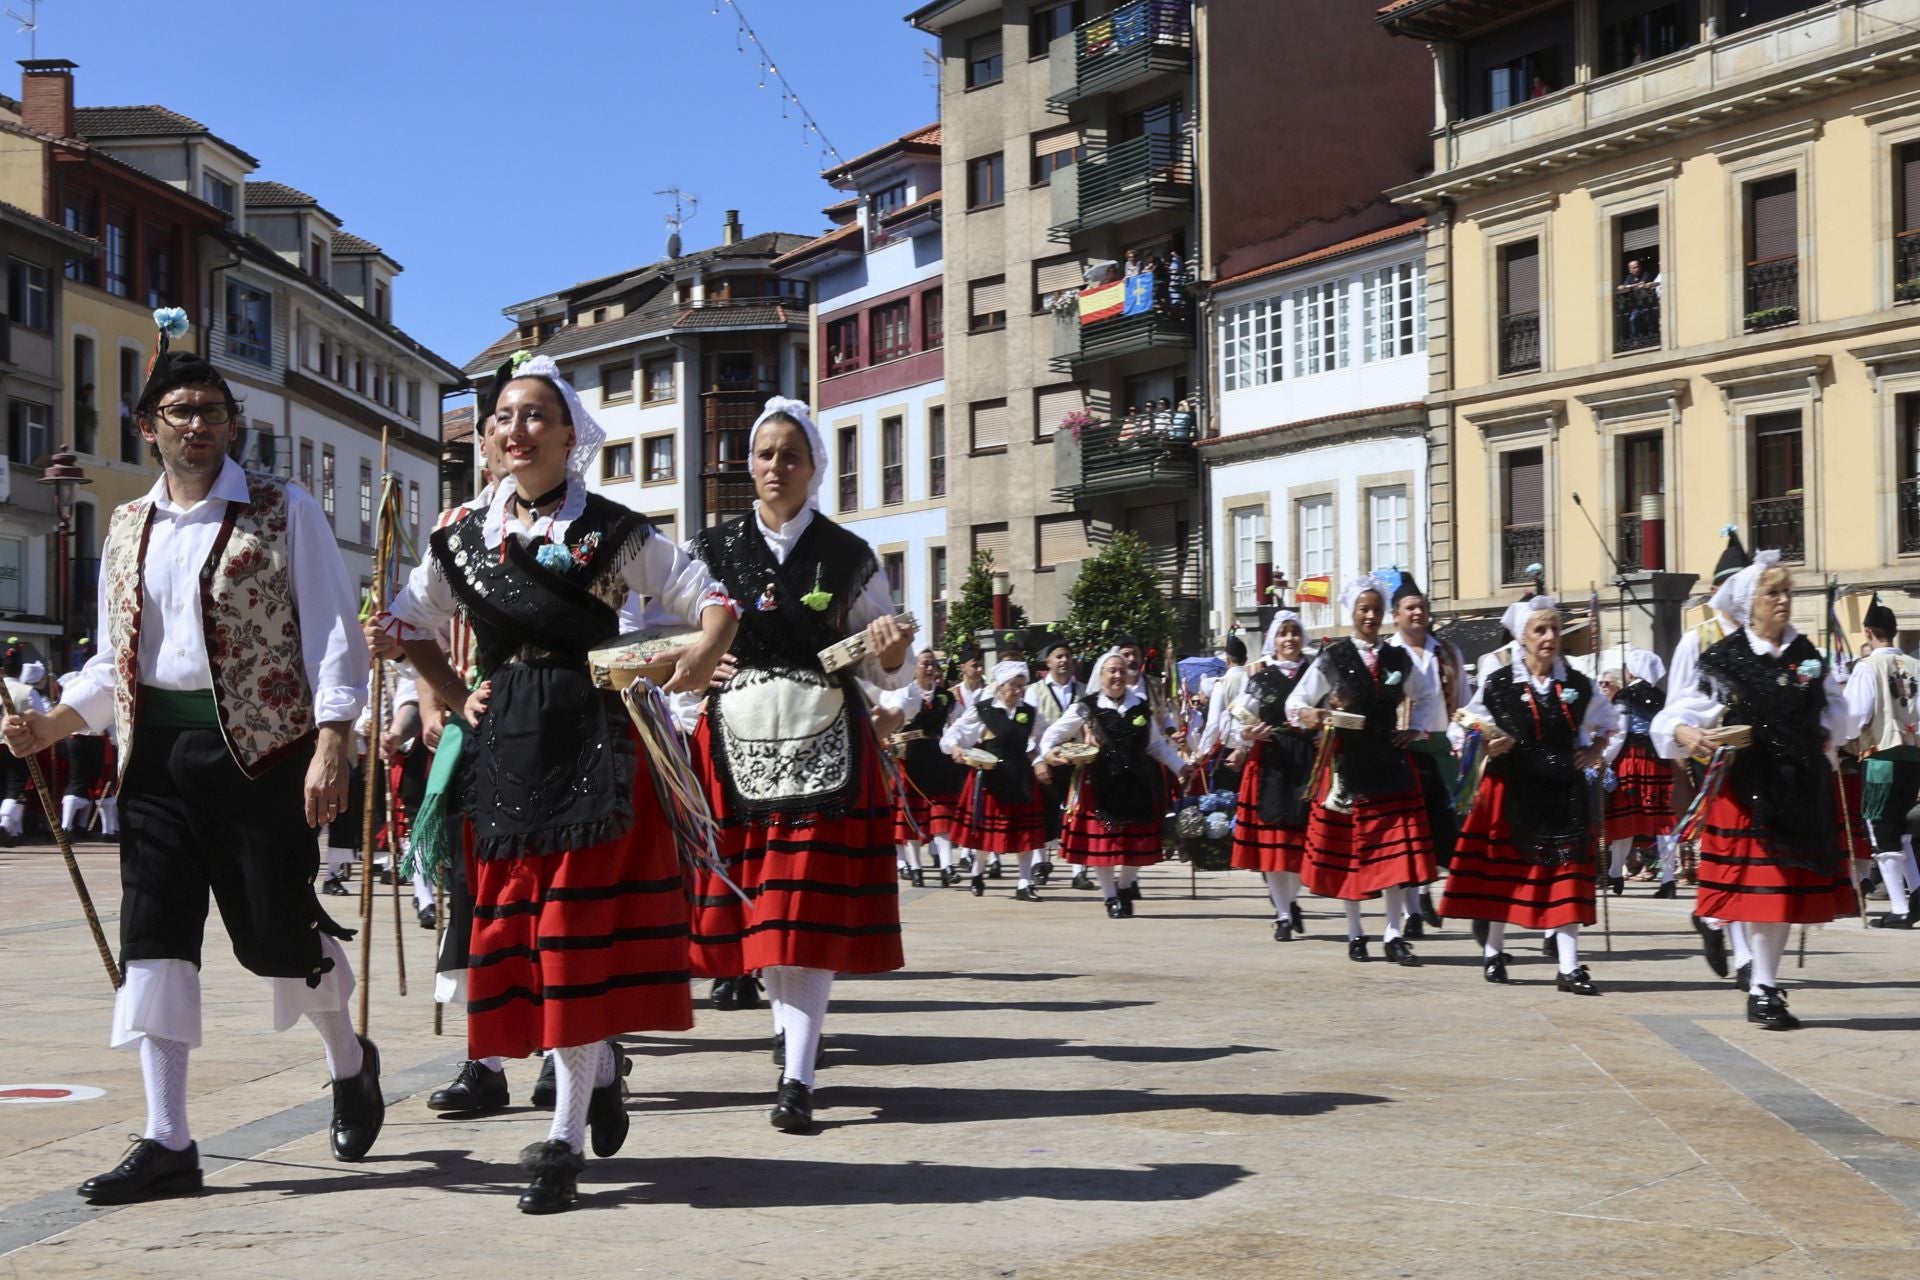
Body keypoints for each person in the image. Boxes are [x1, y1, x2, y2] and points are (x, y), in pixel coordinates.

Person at [1, 315, 379, 1205]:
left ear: (233, 424)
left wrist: (333, 739)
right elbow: (114, 661)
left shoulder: (284, 509)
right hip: (156, 760)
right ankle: (168, 1138)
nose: (198, 424)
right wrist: (55, 725)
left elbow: (334, 633)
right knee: (155, 940)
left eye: (213, 411)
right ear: (149, 427)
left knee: (280, 940)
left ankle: (349, 1060)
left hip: (260, 754)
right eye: (181, 412)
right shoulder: (127, 526)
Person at [386, 353, 737, 1211]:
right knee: (524, 938)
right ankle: (601, 1070)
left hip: (593, 746)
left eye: (536, 414)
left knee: (570, 937)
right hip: (504, 749)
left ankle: (561, 1139)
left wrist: (703, 649)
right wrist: (446, 690)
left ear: (571, 433)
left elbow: (711, 598)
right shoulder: (462, 535)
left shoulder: (614, 531)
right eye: (504, 416)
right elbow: (403, 621)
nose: (518, 429)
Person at [683, 396, 913, 1135]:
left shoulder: (848, 554)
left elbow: (884, 665)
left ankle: (798, 1076)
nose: (775, 466)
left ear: (814, 467)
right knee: (767, 911)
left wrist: (890, 654)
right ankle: (792, 1045)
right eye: (764, 454)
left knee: (800, 913)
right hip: (735, 744)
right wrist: (698, 662)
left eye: (790, 455)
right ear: (748, 465)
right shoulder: (708, 549)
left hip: (824, 745)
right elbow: (661, 631)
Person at [1652, 551, 1859, 1029]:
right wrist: (1684, 733)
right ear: (1750, 603)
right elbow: (1677, 713)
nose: (1783, 600)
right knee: (1766, 892)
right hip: (1749, 792)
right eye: (1773, 593)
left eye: (1787, 592)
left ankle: (1764, 984)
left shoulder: (1806, 654)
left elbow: (1836, 709)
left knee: (1781, 895)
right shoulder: (1724, 660)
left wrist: (1825, 729)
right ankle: (1763, 988)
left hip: (1800, 788)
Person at [1442, 596, 1618, 994]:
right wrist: (1485, 746)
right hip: (1512, 792)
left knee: (1565, 874)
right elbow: (1462, 727)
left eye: (1554, 629)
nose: (1550, 637)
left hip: (1564, 794)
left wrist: (1594, 750)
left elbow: (1611, 723)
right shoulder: (1500, 684)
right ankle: (1493, 951)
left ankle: (1569, 967)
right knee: (1505, 875)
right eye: (1541, 630)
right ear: (1523, 637)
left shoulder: (1578, 684)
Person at [1286, 575, 1439, 965]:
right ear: (1352, 612)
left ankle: (1393, 933)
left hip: (1389, 761)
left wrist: (1415, 728)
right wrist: (1311, 714)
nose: (1370, 616)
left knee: (1393, 855)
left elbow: (1427, 695)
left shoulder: (1398, 657)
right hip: (1347, 764)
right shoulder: (1333, 656)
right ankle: (1355, 933)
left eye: (1376, 609)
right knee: (1350, 852)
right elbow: (1296, 701)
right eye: (1363, 609)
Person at [1668, 526, 1756, 986]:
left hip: (1762, 763)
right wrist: (1684, 751)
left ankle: (1711, 918)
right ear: (1720, 590)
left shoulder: (1766, 640)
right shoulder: (1696, 640)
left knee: (1749, 858)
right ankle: (1744, 956)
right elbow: (1674, 710)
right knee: (1730, 853)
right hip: (1713, 764)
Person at [1040, 648, 1187, 917]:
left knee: (1136, 842)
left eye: (1121, 671)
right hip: (1099, 783)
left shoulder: (1140, 705)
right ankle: (1110, 897)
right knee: (1104, 843)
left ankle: (1125, 885)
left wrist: (1180, 766)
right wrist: (1048, 753)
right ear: (1101, 675)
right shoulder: (1087, 706)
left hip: (1137, 782)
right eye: (1112, 671)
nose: (1118, 675)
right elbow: (1053, 734)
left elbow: (1156, 746)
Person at [1386, 572, 1467, 934]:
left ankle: (1424, 895)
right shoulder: (1388, 654)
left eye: (1421, 606)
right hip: (1403, 751)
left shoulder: (1447, 652)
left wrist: (1463, 736)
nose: (1417, 613)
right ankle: (1412, 911)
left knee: (1444, 828)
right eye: (1410, 607)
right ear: (1396, 615)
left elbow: (1464, 702)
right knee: (1408, 833)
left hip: (1442, 748)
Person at [1227, 612, 1315, 940]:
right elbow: (1237, 718)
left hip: (1308, 760)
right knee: (1275, 844)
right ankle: (1283, 915)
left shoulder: (1315, 672)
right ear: (1273, 640)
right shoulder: (1261, 678)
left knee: (1302, 844)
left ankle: (1289, 901)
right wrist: (1248, 734)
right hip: (1272, 761)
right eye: (1283, 634)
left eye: (1294, 632)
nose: (1289, 639)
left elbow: (1330, 709)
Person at [943, 660, 1049, 901]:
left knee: (1025, 834)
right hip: (991, 778)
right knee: (986, 834)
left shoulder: (1029, 712)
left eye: (1021, 686)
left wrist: (1040, 757)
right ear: (1001, 686)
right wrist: (955, 747)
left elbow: (1045, 737)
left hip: (1021, 777)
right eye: (1013, 686)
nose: (1018, 691)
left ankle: (1024, 883)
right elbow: (955, 732)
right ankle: (977, 873)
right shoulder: (983, 711)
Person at [1844, 595, 1920, 929]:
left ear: (1868, 632)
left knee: (1880, 829)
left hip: (1880, 757)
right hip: (1913, 756)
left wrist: (1844, 736)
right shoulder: (1915, 666)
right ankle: (1916, 894)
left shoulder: (1867, 667)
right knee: (1901, 830)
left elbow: (1855, 714)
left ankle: (1900, 908)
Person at [886, 648, 967, 887]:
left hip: (938, 759)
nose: (931, 669)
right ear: (914, 667)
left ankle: (947, 866)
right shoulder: (905, 694)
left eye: (933, 664)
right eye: (925, 664)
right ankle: (916, 868)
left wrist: (957, 741)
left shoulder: (945, 697)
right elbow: (895, 717)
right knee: (912, 815)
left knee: (941, 813)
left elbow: (961, 721)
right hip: (912, 759)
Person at [1603, 649, 1676, 897]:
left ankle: (1615, 873)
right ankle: (1669, 880)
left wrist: (1603, 760)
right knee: (1664, 821)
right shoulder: (1662, 697)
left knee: (1625, 819)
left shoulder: (1624, 695)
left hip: (1632, 761)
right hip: (1659, 762)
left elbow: (1619, 733)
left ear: (1632, 670)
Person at [1025, 638, 1084, 885]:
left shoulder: (1083, 690)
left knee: (1078, 813)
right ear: (1048, 662)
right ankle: (1040, 864)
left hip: (1078, 762)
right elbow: (1027, 730)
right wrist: (1037, 760)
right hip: (1046, 761)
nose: (1064, 660)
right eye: (1058, 656)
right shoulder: (1034, 691)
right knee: (1043, 813)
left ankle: (1079, 871)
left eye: (1067, 656)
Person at [0, 653, 51, 845]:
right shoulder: (27, 691)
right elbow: (42, 717)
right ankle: (5, 825)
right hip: (16, 744)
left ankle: (13, 831)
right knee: (15, 786)